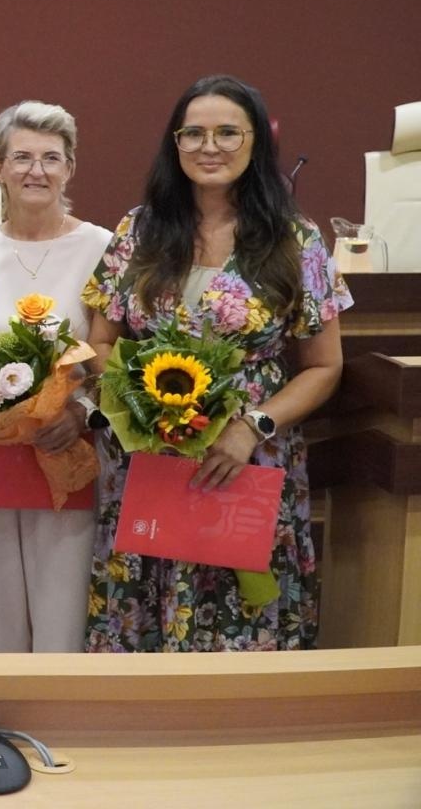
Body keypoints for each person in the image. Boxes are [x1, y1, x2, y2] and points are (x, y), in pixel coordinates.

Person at [81, 74, 350, 651]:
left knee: (238, 606)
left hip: (245, 457)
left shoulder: (293, 239)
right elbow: (99, 344)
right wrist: (145, 409)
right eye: (194, 133)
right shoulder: (139, 229)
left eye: (228, 132)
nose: (210, 147)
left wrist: (252, 427)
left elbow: (324, 365)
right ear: (174, 145)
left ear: (255, 144)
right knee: (146, 596)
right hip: (147, 458)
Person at [0, 101, 112, 653]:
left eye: (51, 157)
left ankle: (59, 725)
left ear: (70, 167)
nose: (35, 170)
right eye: (21, 157)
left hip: (67, 445)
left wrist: (80, 412)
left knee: (62, 604)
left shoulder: (102, 248)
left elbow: (115, 353)